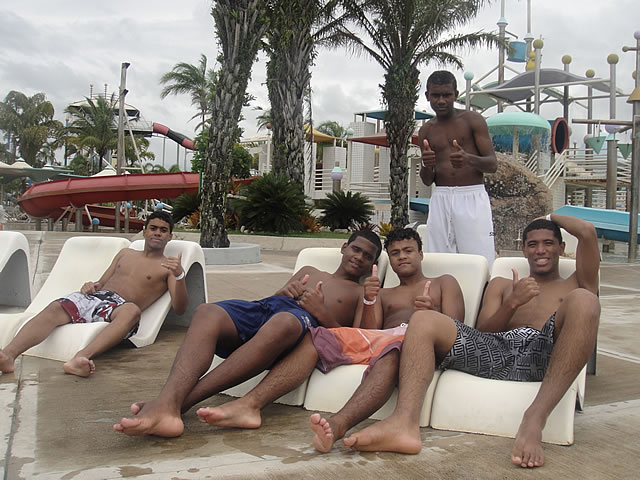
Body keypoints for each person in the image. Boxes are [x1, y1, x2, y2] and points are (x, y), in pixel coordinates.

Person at [341, 214, 600, 469]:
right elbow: (483, 331)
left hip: (545, 354)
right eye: (532, 244)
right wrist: (512, 302)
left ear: (561, 247)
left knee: (586, 299)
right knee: (423, 319)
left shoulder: (575, 282)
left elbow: (587, 231)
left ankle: (535, 418)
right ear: (523, 250)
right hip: (496, 350)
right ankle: (404, 423)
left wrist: (551, 216)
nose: (540, 250)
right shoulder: (502, 285)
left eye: (548, 243)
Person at [194, 228, 464, 453]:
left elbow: (457, 330)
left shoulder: (444, 282)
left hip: (419, 344)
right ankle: (250, 404)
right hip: (384, 340)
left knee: (392, 352)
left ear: (421, 254)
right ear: (389, 262)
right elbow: (367, 334)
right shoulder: (384, 293)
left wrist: (431, 313)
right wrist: (370, 300)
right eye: (395, 253)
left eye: (408, 251)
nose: (402, 256)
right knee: (314, 338)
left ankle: (337, 425)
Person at [113, 230, 383, 437]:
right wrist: (284, 292)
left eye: (367, 256)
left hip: (301, 323)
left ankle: (175, 403)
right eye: (356, 249)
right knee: (207, 312)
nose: (359, 257)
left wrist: (320, 311)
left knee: (285, 321)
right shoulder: (310, 271)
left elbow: (357, 337)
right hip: (269, 309)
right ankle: (168, 404)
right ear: (344, 247)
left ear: (372, 263)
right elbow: (273, 301)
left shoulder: (359, 293)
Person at [0, 211, 188, 377]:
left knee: (132, 311)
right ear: (145, 231)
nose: (157, 233)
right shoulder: (125, 253)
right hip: (98, 297)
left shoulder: (169, 268)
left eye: (163, 230)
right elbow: (102, 282)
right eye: (153, 228)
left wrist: (179, 275)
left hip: (120, 307)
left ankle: (80, 358)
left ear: (170, 236)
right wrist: (90, 286)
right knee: (56, 306)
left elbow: (180, 308)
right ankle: (9, 355)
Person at [418, 70, 498, 265]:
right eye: (435, 95)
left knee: (479, 258)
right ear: (427, 96)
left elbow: (492, 164)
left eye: (447, 95)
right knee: (437, 258)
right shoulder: (426, 130)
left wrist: (469, 159)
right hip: (440, 197)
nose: (441, 101)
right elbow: (427, 180)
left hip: (471, 195)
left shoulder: (472, 120)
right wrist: (427, 165)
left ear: (456, 94)